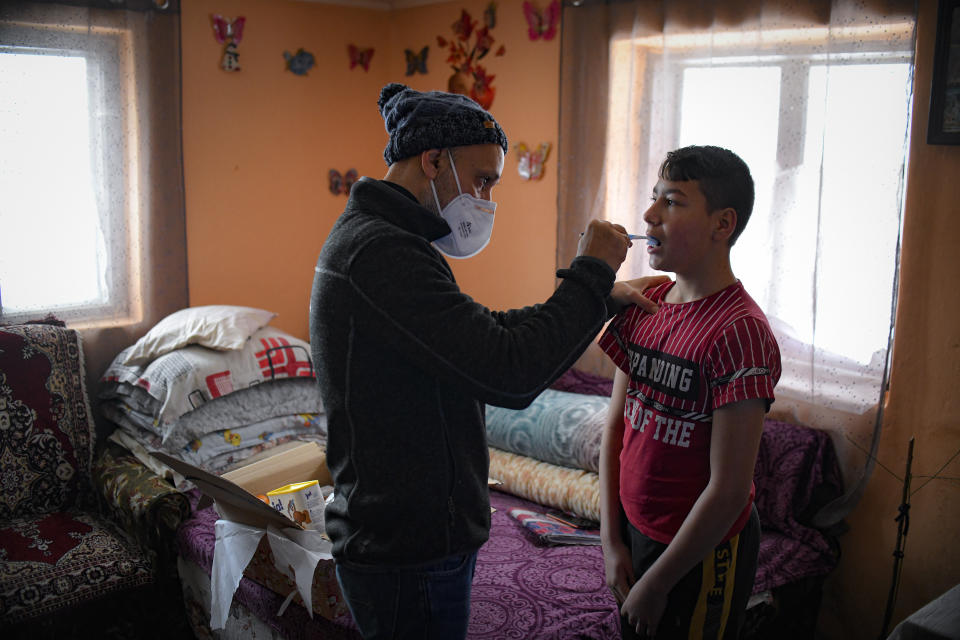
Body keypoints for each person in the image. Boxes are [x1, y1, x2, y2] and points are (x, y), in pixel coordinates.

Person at [309, 82, 663, 640]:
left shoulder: (387, 240)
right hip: (409, 549)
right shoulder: (382, 252)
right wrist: (591, 270)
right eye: (482, 179)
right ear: (433, 160)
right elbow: (508, 371)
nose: (486, 198)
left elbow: (482, 334)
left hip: (409, 539)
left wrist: (598, 298)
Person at [597, 145, 782, 640]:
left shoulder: (740, 332)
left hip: (700, 549)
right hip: (635, 531)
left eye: (673, 202)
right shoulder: (646, 301)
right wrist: (610, 540)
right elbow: (616, 427)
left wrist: (657, 583)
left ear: (723, 225)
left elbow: (727, 491)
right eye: (654, 198)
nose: (649, 214)